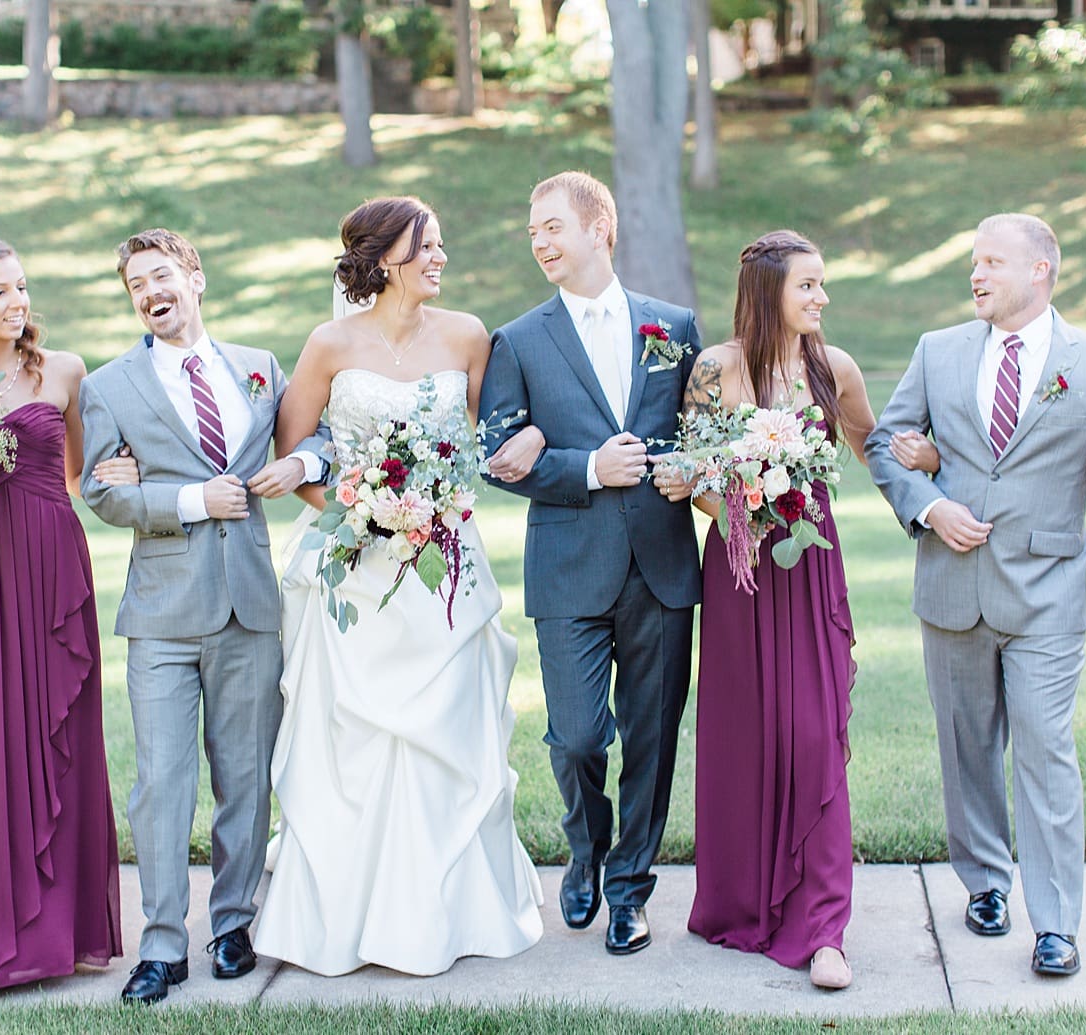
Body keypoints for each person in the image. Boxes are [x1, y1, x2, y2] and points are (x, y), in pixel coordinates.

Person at [865, 213, 1086, 978]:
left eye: (991, 263)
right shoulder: (936, 352)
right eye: (972, 263)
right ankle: (983, 881)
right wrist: (927, 503)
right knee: (966, 747)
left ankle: (1055, 923)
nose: (975, 275)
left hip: (1046, 594)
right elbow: (885, 443)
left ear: (1040, 269)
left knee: (1045, 752)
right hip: (950, 588)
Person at [255, 196, 545, 977]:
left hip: (443, 569)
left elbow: (494, 436)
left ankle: (447, 915)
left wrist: (439, 508)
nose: (440, 259)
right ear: (384, 258)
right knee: (350, 740)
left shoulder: (465, 334)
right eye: (426, 247)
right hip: (353, 572)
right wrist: (368, 517)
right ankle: (344, 915)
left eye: (441, 245)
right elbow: (299, 456)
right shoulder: (328, 343)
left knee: (447, 731)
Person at [78, 228, 332, 1004]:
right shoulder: (110, 385)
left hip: (249, 606)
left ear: (194, 277)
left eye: (161, 276)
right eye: (135, 286)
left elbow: (313, 434)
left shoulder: (259, 368)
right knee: (161, 781)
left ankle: (232, 923)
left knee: (245, 776)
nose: (150, 293)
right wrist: (192, 499)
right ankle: (160, 944)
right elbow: (101, 490)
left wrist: (306, 464)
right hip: (159, 615)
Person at [678, 230, 934, 990]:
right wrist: (742, 492)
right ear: (769, 294)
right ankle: (742, 903)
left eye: (822, 285)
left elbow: (871, 445)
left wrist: (925, 474)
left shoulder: (834, 367)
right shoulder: (712, 370)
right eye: (808, 286)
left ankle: (823, 929)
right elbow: (692, 476)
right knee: (745, 735)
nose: (822, 299)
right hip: (739, 574)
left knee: (815, 735)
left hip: (811, 572)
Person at [479, 171, 702, 956]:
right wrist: (583, 468)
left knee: (651, 736)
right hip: (569, 564)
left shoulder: (673, 326)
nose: (539, 242)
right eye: (532, 230)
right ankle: (586, 849)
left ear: (599, 227)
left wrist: (688, 469)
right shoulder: (517, 340)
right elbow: (496, 460)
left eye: (551, 227)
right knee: (576, 737)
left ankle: (629, 886)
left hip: (663, 566)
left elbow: (702, 432)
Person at [0, 237, 131, 1002]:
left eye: (21, 287)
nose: (17, 303)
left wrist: (123, 473)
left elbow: (81, 474)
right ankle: (2, 946)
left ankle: (76, 934)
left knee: (65, 741)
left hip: (51, 568)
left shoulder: (67, 370)